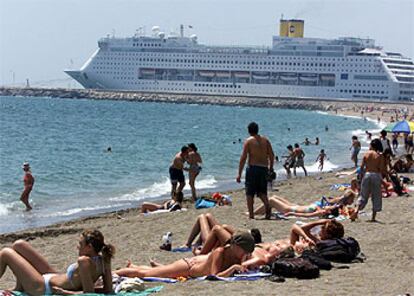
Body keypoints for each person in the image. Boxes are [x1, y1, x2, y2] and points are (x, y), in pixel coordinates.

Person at [0, 229, 114, 294]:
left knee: (6, 252)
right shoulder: (104, 260)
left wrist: (66, 293)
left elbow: (89, 294)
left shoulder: (84, 261)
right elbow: (108, 290)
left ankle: (21, 288)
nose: (77, 247)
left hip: (42, 288)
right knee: (19, 245)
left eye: (80, 244)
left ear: (89, 247)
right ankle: (19, 288)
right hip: (54, 277)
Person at [115, 232, 255, 278]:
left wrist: (242, 262)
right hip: (187, 267)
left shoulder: (238, 254)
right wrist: (233, 268)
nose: (247, 253)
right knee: (145, 275)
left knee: (155, 271)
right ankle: (114, 273)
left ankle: (134, 266)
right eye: (245, 250)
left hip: (196, 264)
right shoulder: (220, 252)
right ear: (236, 246)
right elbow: (214, 276)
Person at [237, 122, 274, 219]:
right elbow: (271, 155)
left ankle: (251, 214)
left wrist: (239, 174)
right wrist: (271, 168)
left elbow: (243, 157)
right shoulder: (265, 140)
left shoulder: (248, 141)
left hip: (253, 168)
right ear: (257, 129)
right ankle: (267, 206)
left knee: (250, 192)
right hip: (264, 168)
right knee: (262, 191)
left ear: (249, 131)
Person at [351, 139, 386, 222]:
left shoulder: (366, 154)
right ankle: (373, 218)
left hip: (367, 175)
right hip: (376, 175)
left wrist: (361, 176)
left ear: (372, 146)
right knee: (376, 196)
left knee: (363, 195)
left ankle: (356, 211)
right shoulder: (380, 155)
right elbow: (381, 168)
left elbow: (362, 167)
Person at [252, 191, 356, 218]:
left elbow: (307, 215)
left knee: (271, 201)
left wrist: (292, 214)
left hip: (295, 209)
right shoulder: (338, 203)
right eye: (352, 199)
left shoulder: (335, 207)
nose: (353, 202)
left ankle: (252, 213)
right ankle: (254, 212)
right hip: (301, 207)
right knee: (274, 197)